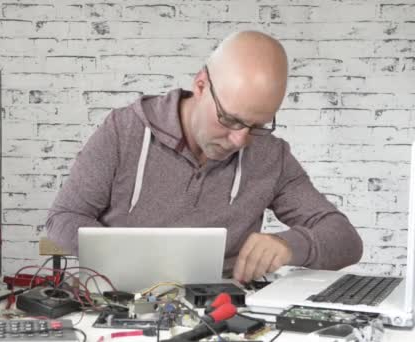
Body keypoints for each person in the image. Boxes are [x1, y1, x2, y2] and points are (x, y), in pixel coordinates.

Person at [46, 31, 363, 283]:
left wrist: (291, 244)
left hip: (223, 310)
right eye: (231, 119)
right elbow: (63, 218)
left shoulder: (271, 154)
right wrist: (126, 257)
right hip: (120, 299)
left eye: (258, 126)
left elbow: (346, 239)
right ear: (201, 85)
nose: (241, 139)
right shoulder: (124, 130)